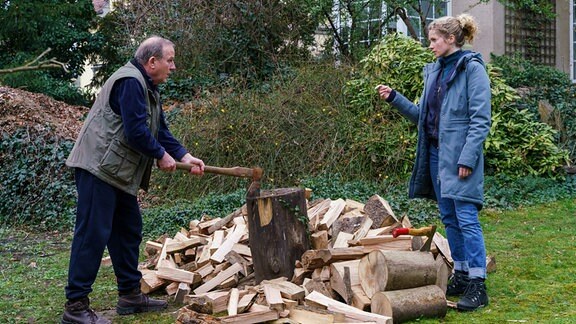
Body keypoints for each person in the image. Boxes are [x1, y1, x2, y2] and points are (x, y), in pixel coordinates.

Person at [62, 36, 205, 324]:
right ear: (152, 62)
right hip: (98, 168)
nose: (173, 66)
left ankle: (130, 295)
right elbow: (135, 132)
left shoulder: (147, 87)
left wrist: (184, 155)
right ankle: (75, 307)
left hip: (117, 172)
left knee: (128, 230)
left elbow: (159, 129)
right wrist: (161, 156)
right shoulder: (130, 82)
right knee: (92, 234)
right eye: (170, 60)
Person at [376, 14, 491, 311]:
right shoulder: (434, 72)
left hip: (460, 159)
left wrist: (467, 158)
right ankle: (463, 273)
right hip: (437, 157)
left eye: (434, 40)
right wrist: (395, 98)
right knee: (450, 218)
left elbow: (480, 121)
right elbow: (423, 118)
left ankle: (478, 285)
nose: (431, 45)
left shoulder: (473, 70)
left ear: (451, 39)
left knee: (466, 218)